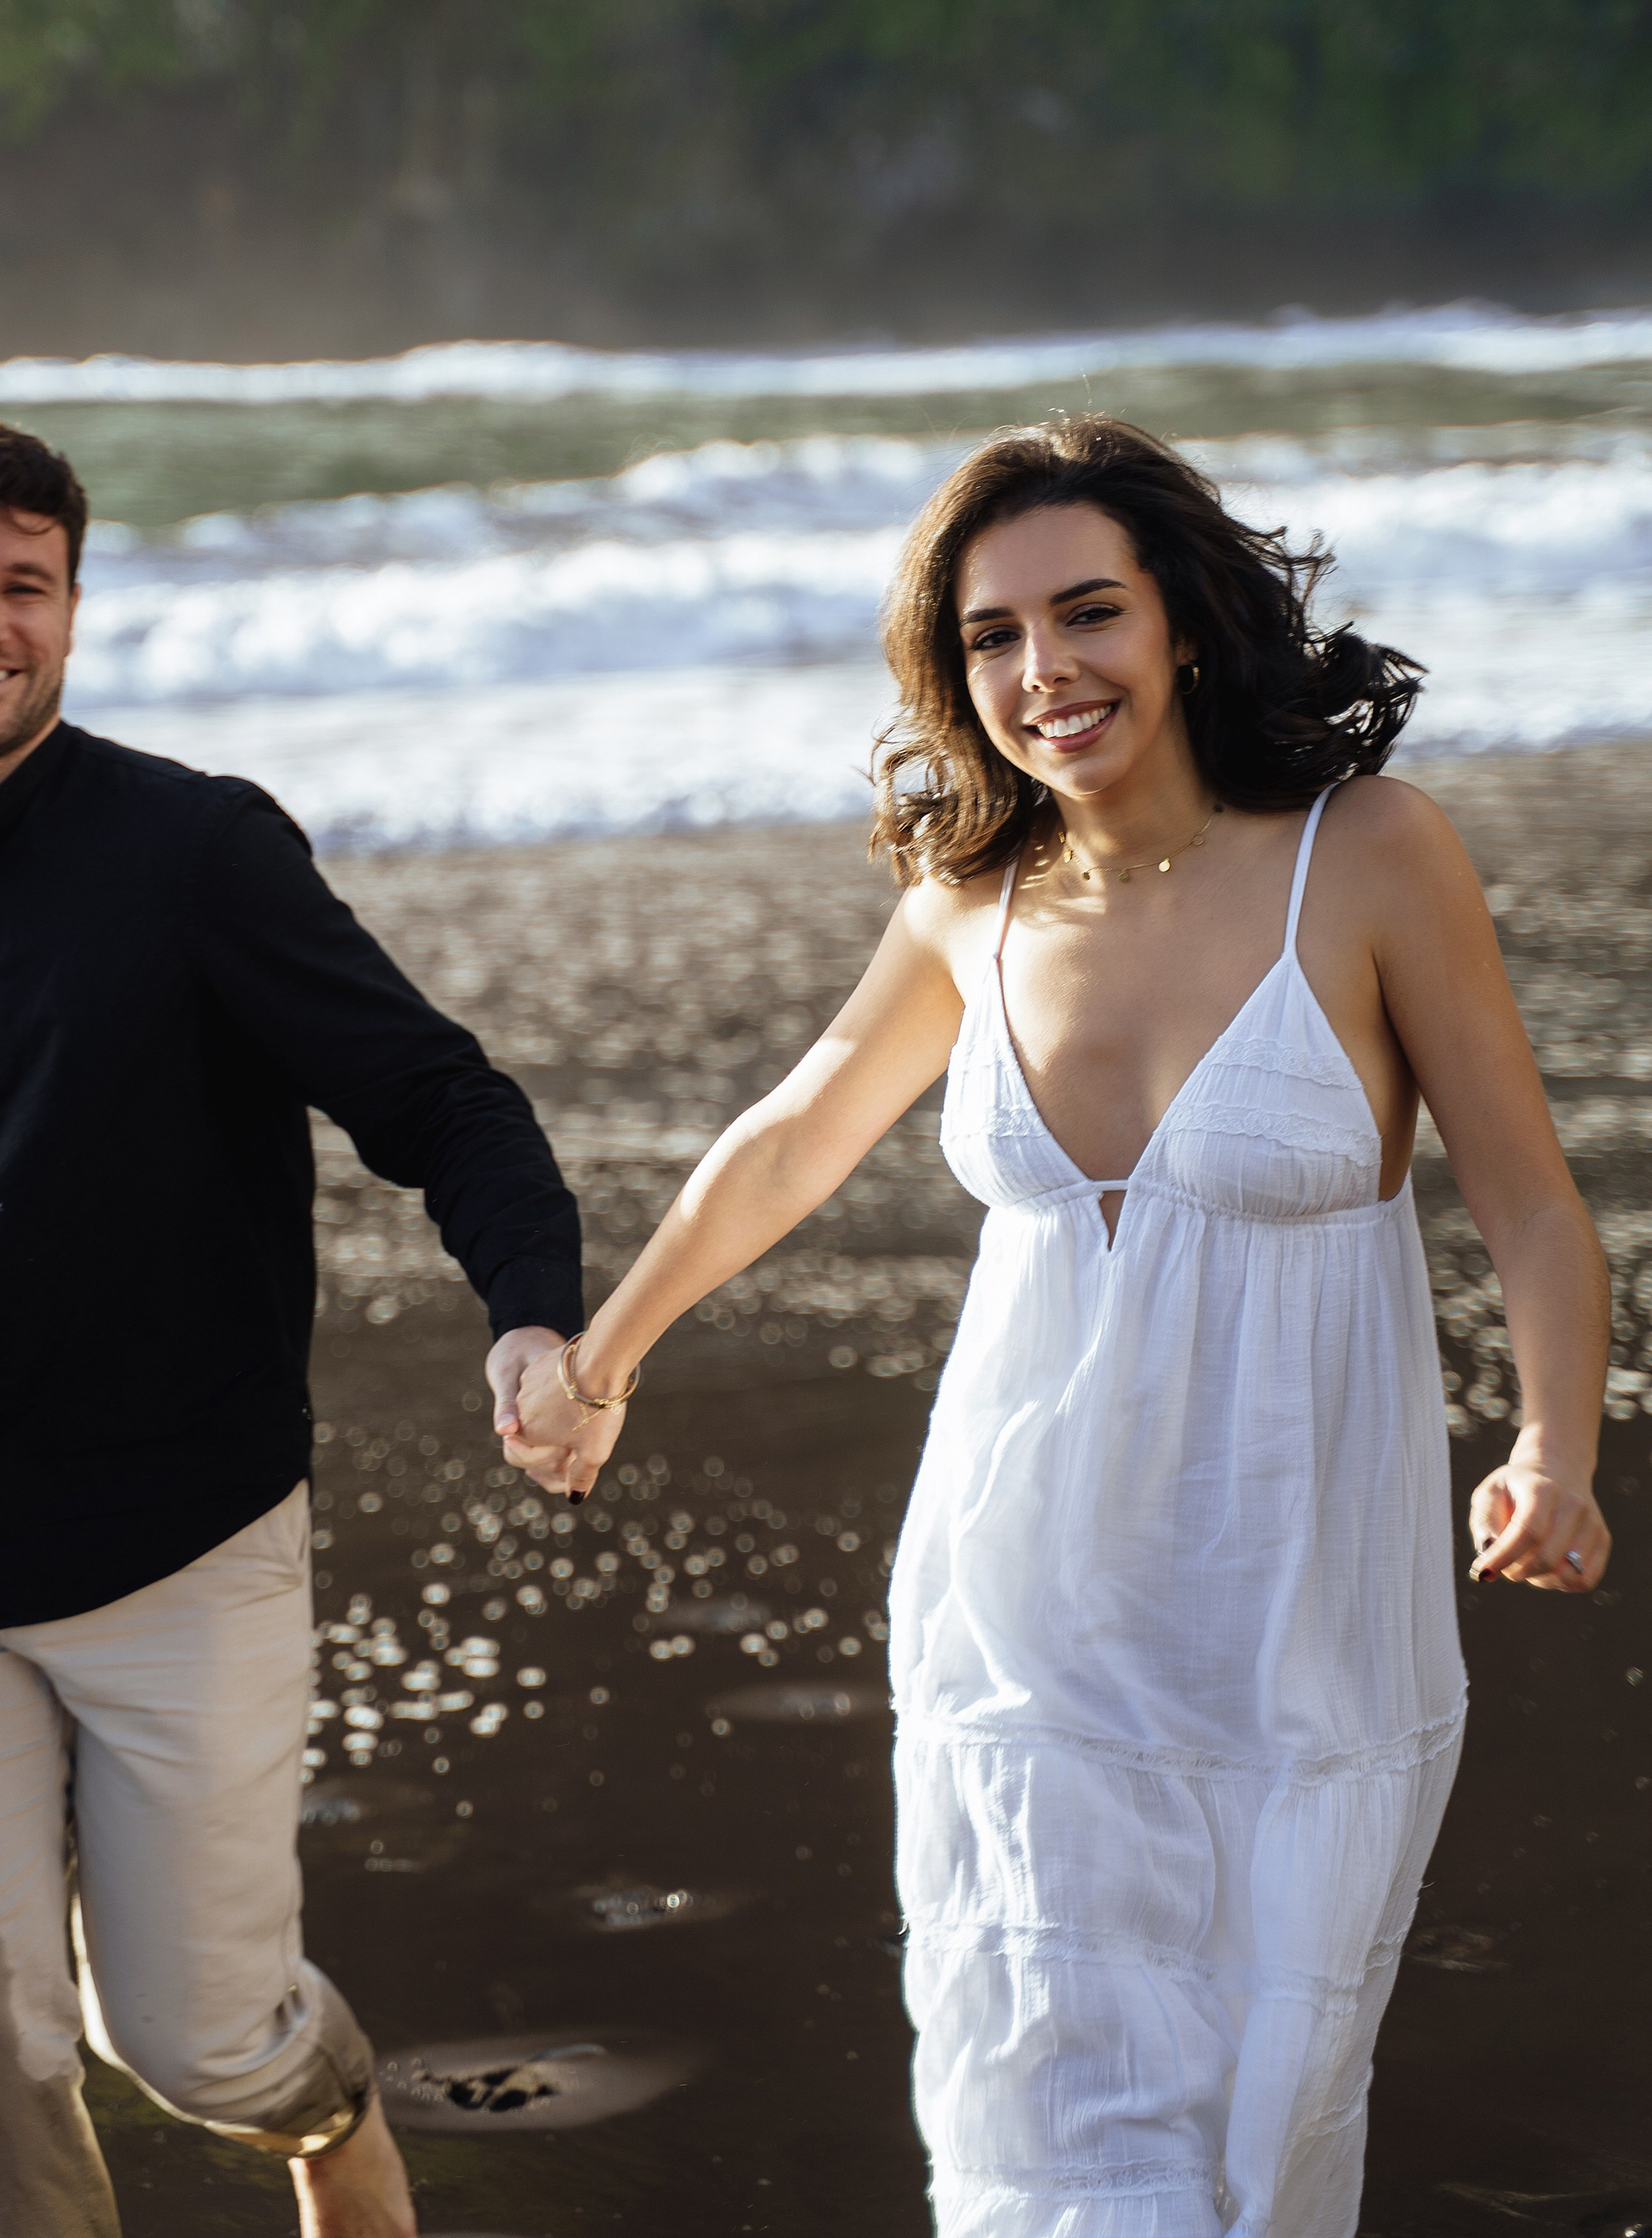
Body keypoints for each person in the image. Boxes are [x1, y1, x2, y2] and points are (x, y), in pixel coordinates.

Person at [507, 415, 1613, 2238]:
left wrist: (1551, 1451)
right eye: (990, 637)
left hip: (1294, 1619)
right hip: (1023, 1615)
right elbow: (789, 1139)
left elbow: (1528, 1202)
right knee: (1043, 2120)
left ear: (1179, 617)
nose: (1042, 671)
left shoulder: (1366, 856)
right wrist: (601, 1359)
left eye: (1084, 612)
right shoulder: (971, 898)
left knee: (1266, 2131)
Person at [0, 414, 587, 2238]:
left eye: (27, 585)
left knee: (199, 2043)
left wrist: (528, 1318)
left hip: (184, 1545)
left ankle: (330, 2112)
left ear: (72, 609)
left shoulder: (196, 852)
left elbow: (440, 1100)